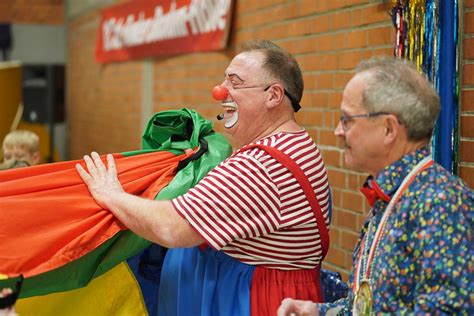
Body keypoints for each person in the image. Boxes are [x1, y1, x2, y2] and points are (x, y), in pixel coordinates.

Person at [76, 40, 332, 315]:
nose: (220, 91)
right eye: (224, 80)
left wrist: (112, 195)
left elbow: (171, 227)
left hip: (254, 304)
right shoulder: (293, 143)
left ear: (273, 96)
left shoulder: (261, 166)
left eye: (235, 82)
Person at [277, 56, 473, 315]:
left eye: (347, 120)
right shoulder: (391, 196)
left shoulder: (440, 202)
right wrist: (317, 312)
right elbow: (370, 307)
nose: (338, 131)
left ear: (389, 129)